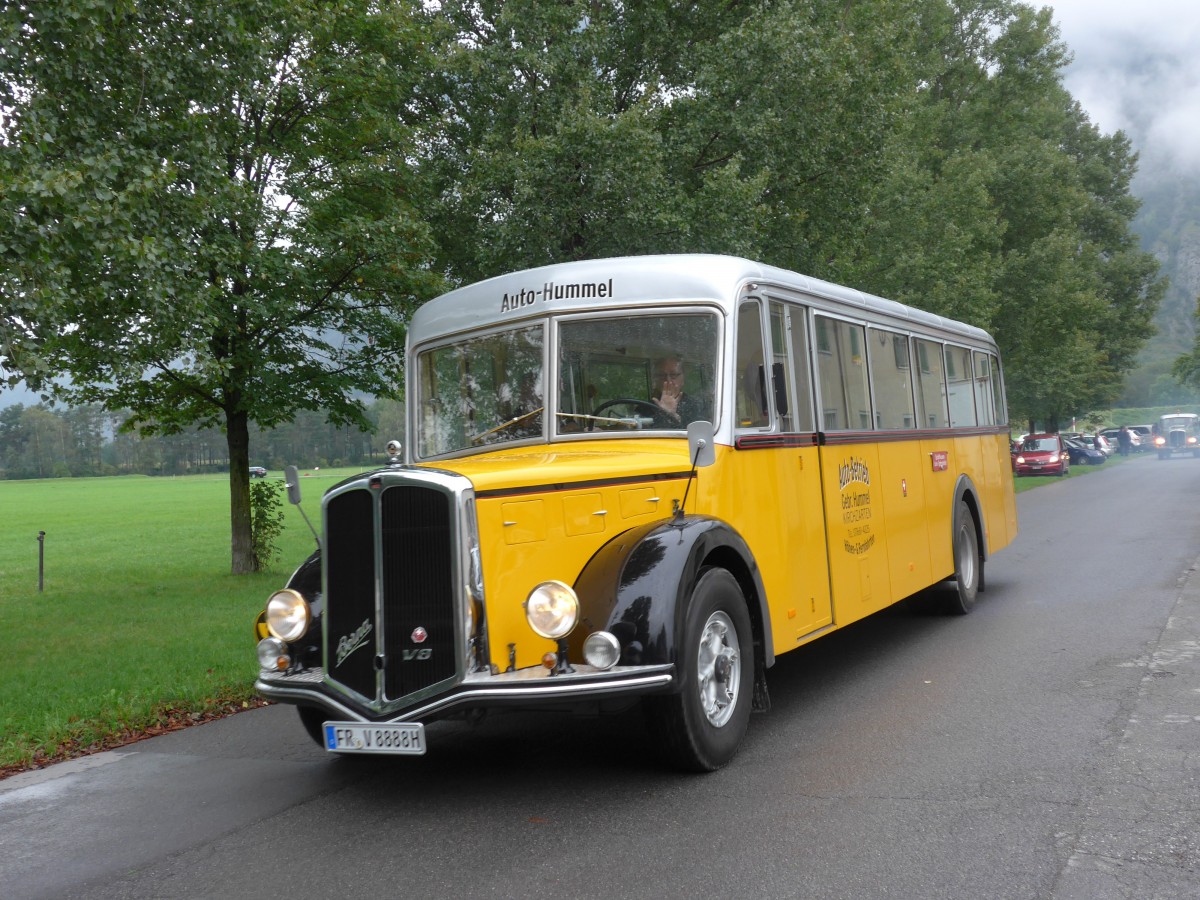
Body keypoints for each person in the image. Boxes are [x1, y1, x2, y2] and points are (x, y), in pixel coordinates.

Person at [652, 354, 710, 427]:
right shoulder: (644, 407)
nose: (668, 380)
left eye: (673, 375)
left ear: (683, 379)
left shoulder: (696, 406)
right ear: (655, 380)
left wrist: (673, 416)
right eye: (662, 375)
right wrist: (663, 414)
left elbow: (699, 433)